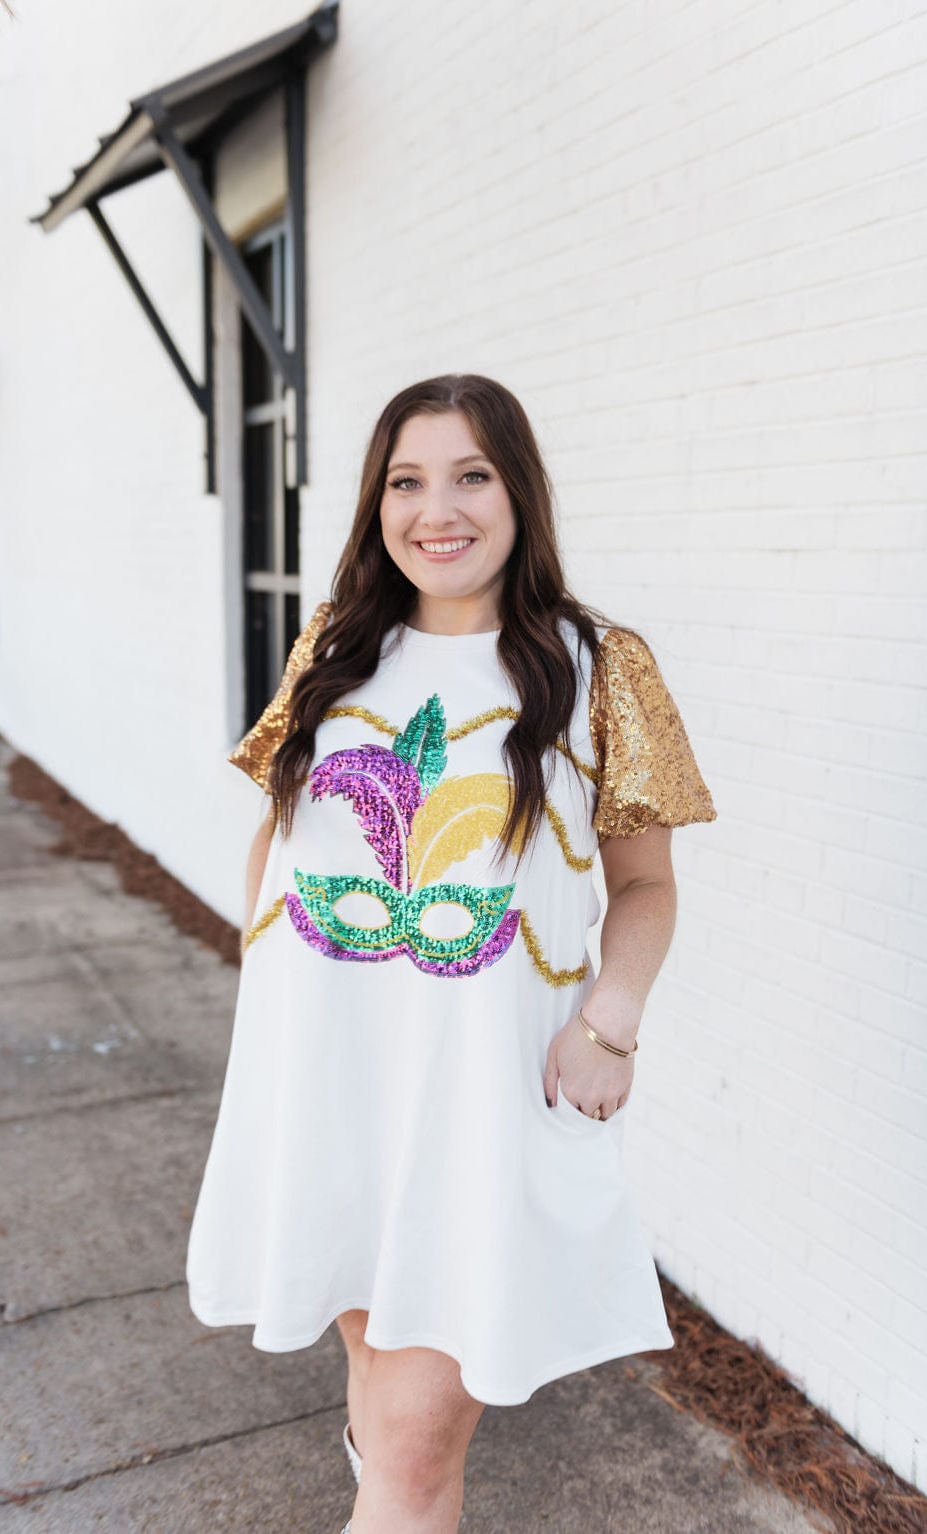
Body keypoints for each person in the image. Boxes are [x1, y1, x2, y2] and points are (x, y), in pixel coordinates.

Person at [186, 373, 716, 1534]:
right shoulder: (335, 647)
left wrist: (611, 1020)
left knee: (415, 1450)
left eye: (471, 475)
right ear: (375, 501)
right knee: (380, 1389)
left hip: (480, 1101)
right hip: (332, 1086)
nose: (438, 509)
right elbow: (280, 833)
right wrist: (273, 997)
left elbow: (645, 884)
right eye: (406, 480)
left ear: (518, 491)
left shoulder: (597, 666)